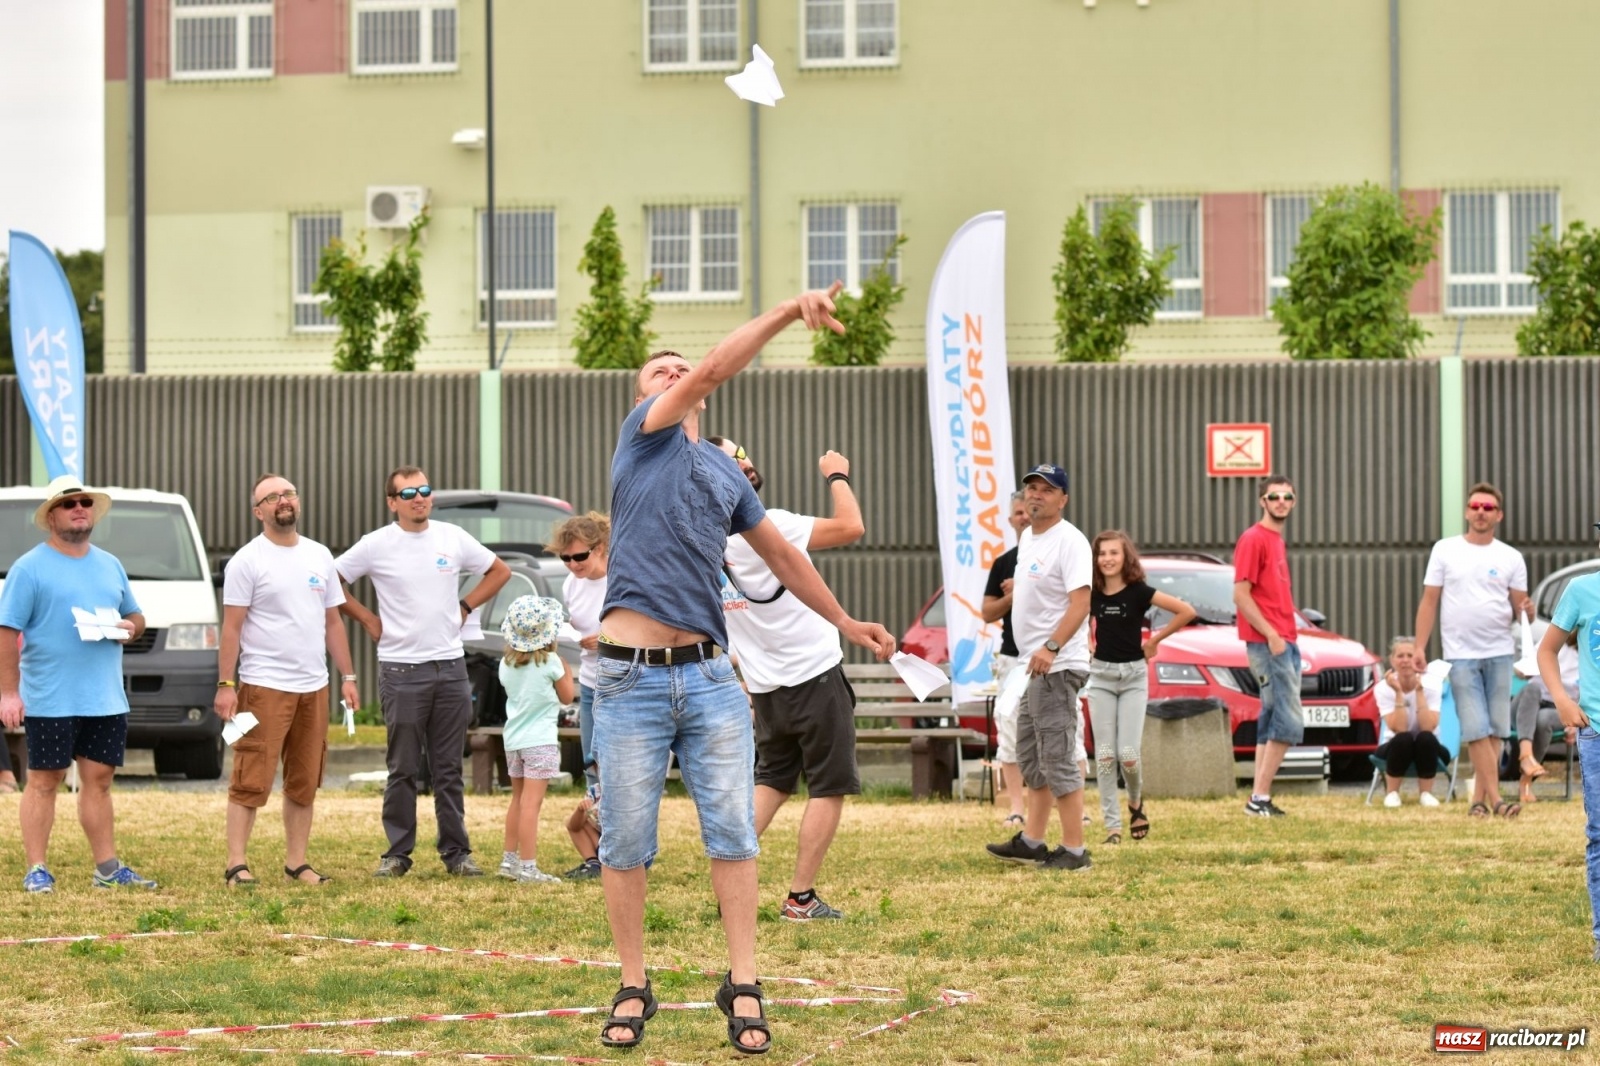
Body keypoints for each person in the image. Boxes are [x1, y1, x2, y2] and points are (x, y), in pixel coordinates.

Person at [593, 284, 895, 1054]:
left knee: (734, 835)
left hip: (709, 679)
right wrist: (790, 311)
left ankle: (745, 982)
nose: (675, 374)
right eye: (659, 372)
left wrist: (845, 622)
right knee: (625, 842)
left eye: (679, 368)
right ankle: (633, 983)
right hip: (629, 678)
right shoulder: (643, 439)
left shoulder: (725, 476)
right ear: (645, 399)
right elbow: (715, 369)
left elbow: (786, 557)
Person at [336, 466, 512, 878]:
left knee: (449, 767)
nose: (419, 498)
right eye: (408, 493)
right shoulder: (376, 544)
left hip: (450, 667)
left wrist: (466, 606)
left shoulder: (452, 537)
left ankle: (457, 853)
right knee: (403, 767)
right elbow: (330, 580)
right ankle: (397, 854)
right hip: (401, 669)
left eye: (424, 490)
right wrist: (367, 619)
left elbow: (499, 571)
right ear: (392, 502)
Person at [715, 437, 864, 922]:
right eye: (735, 460)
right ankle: (801, 899)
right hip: (814, 673)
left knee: (773, 781)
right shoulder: (772, 524)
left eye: (743, 453)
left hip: (764, 685)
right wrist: (836, 475)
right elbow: (851, 527)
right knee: (829, 786)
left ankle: (728, 890)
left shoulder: (706, 541)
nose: (746, 463)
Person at [0, 475, 156, 892]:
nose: (79, 509)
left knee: (99, 782)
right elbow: (6, 632)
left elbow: (136, 615)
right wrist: (9, 693)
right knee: (44, 781)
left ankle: (107, 869)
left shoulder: (110, 564)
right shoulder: (29, 568)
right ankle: (37, 869)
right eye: (69, 504)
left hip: (105, 698)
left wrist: (132, 627)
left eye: (85, 502)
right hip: (50, 698)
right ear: (51, 516)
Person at [216, 474, 361, 886]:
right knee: (251, 777)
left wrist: (348, 676)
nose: (283, 500)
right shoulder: (247, 560)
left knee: (304, 780)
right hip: (263, 686)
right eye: (272, 497)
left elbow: (333, 622)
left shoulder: (319, 555)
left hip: (314, 687)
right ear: (258, 511)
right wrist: (226, 685)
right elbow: (232, 628)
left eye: (288, 494)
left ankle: (297, 863)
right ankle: (236, 864)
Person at [984, 463, 1094, 872]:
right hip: (1032, 667)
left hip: (1058, 664)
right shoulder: (1030, 537)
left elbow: (1081, 604)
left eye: (1046, 489)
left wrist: (1051, 646)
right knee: (1030, 756)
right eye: (1031, 487)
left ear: (1063, 499)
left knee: (1058, 757)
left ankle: (1075, 851)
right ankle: (1032, 841)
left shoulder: (1071, 541)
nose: (1035, 494)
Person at [1414, 482, 1530, 819]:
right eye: (1476, 506)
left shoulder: (1511, 557)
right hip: (1460, 653)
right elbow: (1429, 601)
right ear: (1466, 511)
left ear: (1499, 515)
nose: (1481, 512)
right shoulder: (1445, 550)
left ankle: (1477, 802)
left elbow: (1521, 609)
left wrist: (1529, 611)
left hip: (1500, 652)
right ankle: (1497, 800)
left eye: (1488, 507)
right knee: (1476, 727)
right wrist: (1420, 646)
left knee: (1495, 730)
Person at [1086, 530, 1195, 843]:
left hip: (1133, 677)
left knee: (1128, 754)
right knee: (1105, 755)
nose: (1107, 559)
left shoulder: (1139, 592)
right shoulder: (1091, 593)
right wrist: (1086, 642)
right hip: (1101, 677)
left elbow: (1186, 611)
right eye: (1102, 553)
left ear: (1126, 557)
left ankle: (1135, 802)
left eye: (1114, 553)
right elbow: (1075, 616)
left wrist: (1155, 641)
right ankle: (1113, 827)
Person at [1534, 522, 1600, 961]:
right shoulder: (1581, 590)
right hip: (1596, 729)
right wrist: (1561, 699)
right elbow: (1546, 651)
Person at [1233, 474, 1303, 818]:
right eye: (1274, 497)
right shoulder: (1254, 538)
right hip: (1270, 644)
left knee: (1272, 717)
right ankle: (1259, 797)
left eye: (1287, 497)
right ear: (1263, 501)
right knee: (1289, 722)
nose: (1281, 502)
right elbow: (1240, 594)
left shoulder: (1275, 540)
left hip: (1283, 640)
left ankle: (1258, 797)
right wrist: (1272, 635)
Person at [496, 595, 574, 885]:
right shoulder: (552, 662)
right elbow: (567, 697)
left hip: (513, 741)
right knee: (532, 804)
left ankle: (509, 860)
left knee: (517, 800)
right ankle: (529, 868)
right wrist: (566, 668)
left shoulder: (505, 664)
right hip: (540, 741)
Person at [547, 512, 609, 792]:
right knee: (591, 761)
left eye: (580, 556)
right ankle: (595, 814)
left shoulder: (619, 578)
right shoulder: (571, 584)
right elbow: (578, 621)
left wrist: (607, 640)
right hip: (590, 680)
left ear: (600, 548)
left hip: (623, 681)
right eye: (566, 558)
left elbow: (644, 628)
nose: (573, 564)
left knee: (618, 762)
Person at [982, 491, 1030, 828]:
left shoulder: (1058, 555)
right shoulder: (1003, 563)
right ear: (1011, 520)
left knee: (1064, 733)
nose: (1024, 517)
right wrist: (1012, 597)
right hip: (1013, 658)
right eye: (1018, 512)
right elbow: (987, 612)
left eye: (1029, 510)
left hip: (1052, 657)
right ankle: (1016, 807)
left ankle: (1073, 807)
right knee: (1009, 729)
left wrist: (1024, 586)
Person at [1373, 637, 1444, 808]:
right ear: (1392, 660)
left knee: (1425, 737)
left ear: (1418, 659)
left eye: (1410, 656)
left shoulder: (1432, 685)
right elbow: (1399, 728)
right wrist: (1398, 692)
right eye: (1400, 656)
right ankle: (1392, 794)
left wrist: (1419, 692)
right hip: (1395, 745)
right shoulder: (1382, 688)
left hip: (1429, 746)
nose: (1405, 661)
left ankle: (1426, 794)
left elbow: (1428, 726)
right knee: (1403, 738)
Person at [1512, 629, 1579, 804]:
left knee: (1544, 720)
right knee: (1532, 689)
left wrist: (1576, 724)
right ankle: (1526, 756)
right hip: (1526, 705)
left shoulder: (1591, 656)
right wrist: (1523, 670)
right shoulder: (1554, 638)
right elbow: (1521, 667)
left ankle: (1526, 781)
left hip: (1560, 709)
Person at [563, 778, 603, 881]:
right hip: (604, 845)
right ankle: (593, 863)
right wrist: (580, 810)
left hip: (624, 848)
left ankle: (600, 864)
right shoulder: (595, 790)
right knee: (579, 820)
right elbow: (573, 826)